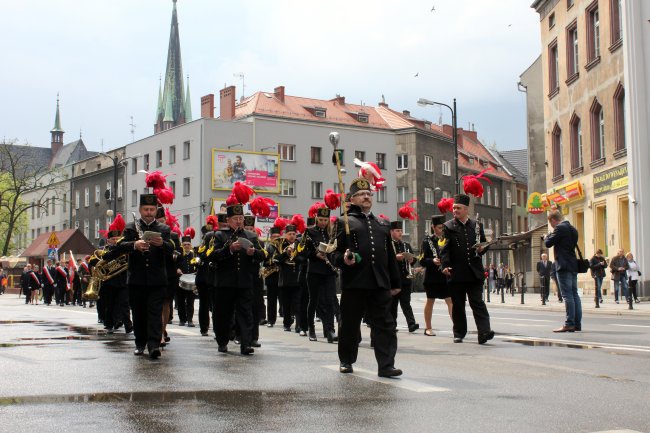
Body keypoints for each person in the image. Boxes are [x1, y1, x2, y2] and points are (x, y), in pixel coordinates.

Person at [332, 178, 402, 377]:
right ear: (352, 199)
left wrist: (395, 282)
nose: (366, 197)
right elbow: (333, 253)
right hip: (355, 282)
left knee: (385, 325)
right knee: (350, 324)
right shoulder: (344, 221)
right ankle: (346, 360)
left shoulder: (382, 224)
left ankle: (386, 365)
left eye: (369, 194)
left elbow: (389, 256)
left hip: (379, 282)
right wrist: (343, 259)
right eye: (361, 194)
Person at [106, 193, 174, 359]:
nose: (149, 212)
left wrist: (161, 244)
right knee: (138, 313)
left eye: (152, 209)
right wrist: (134, 245)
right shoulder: (130, 227)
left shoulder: (164, 229)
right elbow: (119, 246)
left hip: (157, 280)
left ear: (156, 210)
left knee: (154, 313)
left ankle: (153, 345)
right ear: (140, 210)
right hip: (136, 279)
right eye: (146, 209)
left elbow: (172, 249)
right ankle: (140, 343)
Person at [207, 204, 265, 355]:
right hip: (225, 283)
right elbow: (211, 255)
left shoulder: (251, 236)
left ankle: (246, 344)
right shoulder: (219, 235)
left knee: (246, 314)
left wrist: (254, 253)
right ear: (228, 220)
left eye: (241, 218)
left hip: (245, 282)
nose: (239, 222)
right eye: (235, 219)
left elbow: (264, 255)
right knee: (223, 314)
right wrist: (230, 249)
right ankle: (222, 341)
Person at [440, 194, 494, 345]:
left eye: (458, 208)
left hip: (474, 272)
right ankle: (459, 333)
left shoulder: (477, 225)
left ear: (466, 209)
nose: (455, 210)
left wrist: (482, 248)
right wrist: (445, 266)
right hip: (455, 272)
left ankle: (484, 332)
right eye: (454, 208)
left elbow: (482, 246)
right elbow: (444, 249)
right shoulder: (448, 226)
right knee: (458, 305)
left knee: (477, 302)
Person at [303, 207, 338, 342]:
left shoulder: (331, 233)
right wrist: (315, 254)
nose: (323, 222)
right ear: (317, 218)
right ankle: (311, 328)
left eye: (325, 220)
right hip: (314, 271)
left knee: (330, 300)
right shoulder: (309, 232)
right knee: (314, 300)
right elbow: (303, 252)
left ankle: (330, 330)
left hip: (329, 271)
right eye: (321, 219)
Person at [544, 210, 581, 332]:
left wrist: (547, 236)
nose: (552, 226)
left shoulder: (560, 228)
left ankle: (569, 323)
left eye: (551, 223)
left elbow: (548, 243)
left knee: (567, 295)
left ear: (553, 220)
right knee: (574, 294)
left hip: (563, 265)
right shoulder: (573, 229)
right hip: (573, 265)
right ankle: (577, 323)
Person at [420, 215, 452, 337]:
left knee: (450, 300)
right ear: (433, 227)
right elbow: (422, 260)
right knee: (430, 301)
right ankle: (428, 328)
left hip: (445, 275)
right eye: (439, 228)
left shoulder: (448, 239)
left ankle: (456, 327)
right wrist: (432, 261)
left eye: (443, 227)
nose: (442, 230)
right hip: (432, 277)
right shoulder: (427, 241)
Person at [389, 220, 419, 333]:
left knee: (406, 303)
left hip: (405, 279)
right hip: (393, 280)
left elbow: (412, 259)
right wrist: (395, 258)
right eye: (397, 231)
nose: (400, 233)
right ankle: (392, 325)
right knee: (393, 304)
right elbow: (385, 260)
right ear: (391, 231)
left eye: (401, 231)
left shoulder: (405, 245)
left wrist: (411, 260)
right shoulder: (389, 245)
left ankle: (411, 324)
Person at [277, 223, 303, 334]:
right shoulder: (280, 245)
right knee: (286, 304)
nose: (292, 236)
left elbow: (303, 259)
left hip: (297, 278)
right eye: (289, 234)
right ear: (285, 235)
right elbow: (277, 259)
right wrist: (286, 253)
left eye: (293, 234)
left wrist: (295, 255)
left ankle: (299, 325)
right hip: (285, 280)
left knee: (298, 304)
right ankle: (286, 324)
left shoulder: (299, 244)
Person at [262, 226, 282, 328]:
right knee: (271, 300)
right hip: (272, 276)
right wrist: (272, 261)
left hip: (283, 276)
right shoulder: (268, 247)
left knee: (285, 299)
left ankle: (288, 318)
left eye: (278, 236)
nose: (276, 238)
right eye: (274, 237)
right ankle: (271, 320)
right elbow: (264, 262)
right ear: (271, 238)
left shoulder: (283, 246)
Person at [177, 230, 197, 327]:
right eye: (184, 245)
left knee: (190, 302)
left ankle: (190, 320)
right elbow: (174, 265)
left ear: (191, 245)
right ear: (182, 245)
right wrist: (177, 269)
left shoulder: (194, 255)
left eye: (188, 244)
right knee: (180, 301)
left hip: (191, 282)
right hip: (181, 281)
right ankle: (182, 319)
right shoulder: (179, 255)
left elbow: (198, 265)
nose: (186, 246)